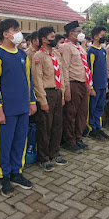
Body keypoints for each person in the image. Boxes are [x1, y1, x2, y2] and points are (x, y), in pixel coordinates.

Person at [0, 18, 36, 197]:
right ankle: (3, 177)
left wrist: (32, 101)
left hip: (23, 107)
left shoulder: (23, 55)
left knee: (20, 142)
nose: (19, 33)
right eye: (16, 30)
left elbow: (28, 80)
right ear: (5, 34)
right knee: (4, 145)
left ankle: (17, 173)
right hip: (6, 110)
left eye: (19, 29)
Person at [32, 26, 67, 172]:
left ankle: (55, 153)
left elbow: (61, 75)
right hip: (46, 93)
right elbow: (37, 80)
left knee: (57, 125)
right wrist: (43, 100)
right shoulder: (38, 56)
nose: (55, 40)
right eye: (52, 37)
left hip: (57, 93)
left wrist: (63, 93)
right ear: (44, 39)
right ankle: (44, 158)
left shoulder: (56, 55)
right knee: (45, 127)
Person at [59, 20, 91, 152]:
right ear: (71, 33)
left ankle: (78, 137)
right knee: (71, 114)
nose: (81, 34)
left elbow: (85, 67)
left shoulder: (79, 47)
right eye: (78, 31)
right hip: (73, 83)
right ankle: (70, 140)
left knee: (82, 113)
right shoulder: (65, 47)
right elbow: (64, 69)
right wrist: (66, 89)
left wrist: (89, 84)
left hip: (83, 83)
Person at [87, 26, 109, 141]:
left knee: (100, 107)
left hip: (102, 85)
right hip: (95, 86)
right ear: (95, 36)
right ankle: (92, 128)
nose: (104, 37)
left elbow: (104, 69)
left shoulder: (103, 51)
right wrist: (91, 87)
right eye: (102, 35)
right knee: (92, 107)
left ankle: (98, 126)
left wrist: (106, 85)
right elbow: (89, 70)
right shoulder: (91, 51)